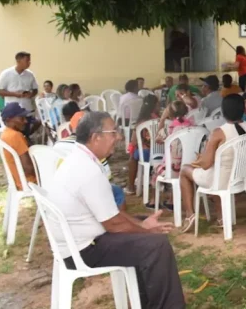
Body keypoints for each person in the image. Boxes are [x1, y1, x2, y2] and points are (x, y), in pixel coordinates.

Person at [46, 111, 184, 309]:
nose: (118, 137)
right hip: (85, 251)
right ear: (96, 137)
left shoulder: (77, 158)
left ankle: (146, 302)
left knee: (141, 228)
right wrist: (145, 229)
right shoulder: (88, 170)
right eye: (113, 132)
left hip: (78, 242)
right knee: (156, 245)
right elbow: (114, 224)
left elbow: (111, 213)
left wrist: (142, 224)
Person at [178, 94, 246, 232]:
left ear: (223, 112)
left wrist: (199, 161)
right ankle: (221, 218)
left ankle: (189, 214)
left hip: (220, 179)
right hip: (239, 177)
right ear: (243, 110)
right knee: (218, 170)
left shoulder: (219, 132)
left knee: (184, 170)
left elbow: (206, 164)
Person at [126, 94, 160, 195]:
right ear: (155, 106)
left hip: (146, 154)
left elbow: (134, 142)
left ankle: (131, 186)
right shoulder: (161, 119)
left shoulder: (141, 121)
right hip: (162, 155)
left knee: (132, 158)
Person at [0, 103, 37, 190]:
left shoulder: (5, 134)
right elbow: (28, 169)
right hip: (30, 182)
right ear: (9, 119)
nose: (25, 121)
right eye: (21, 118)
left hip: (18, 181)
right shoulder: (15, 136)